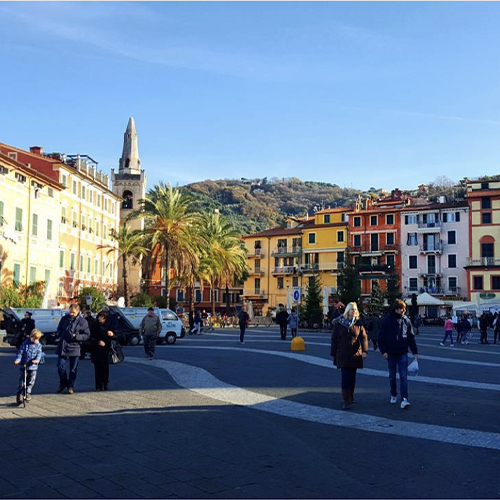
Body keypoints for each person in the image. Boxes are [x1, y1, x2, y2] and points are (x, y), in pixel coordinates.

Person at [378, 299, 419, 409]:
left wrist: (415, 351)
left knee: (403, 376)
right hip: (390, 353)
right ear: (396, 309)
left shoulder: (406, 320)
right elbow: (381, 337)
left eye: (404, 308)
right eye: (402, 309)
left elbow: (411, 337)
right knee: (392, 376)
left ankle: (404, 398)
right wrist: (384, 351)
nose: (404, 311)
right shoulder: (387, 321)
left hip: (402, 352)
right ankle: (393, 394)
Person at [330, 302, 368, 411]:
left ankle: (351, 396)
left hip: (355, 355)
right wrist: (333, 353)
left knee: (352, 377)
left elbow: (364, 337)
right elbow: (334, 339)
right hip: (343, 354)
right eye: (352, 309)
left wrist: (365, 351)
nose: (354, 311)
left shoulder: (358, 324)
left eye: (355, 309)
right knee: (345, 377)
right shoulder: (339, 324)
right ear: (347, 311)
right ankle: (346, 400)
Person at [56, 303, 90, 394]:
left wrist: (77, 336)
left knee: (73, 369)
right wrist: (59, 333)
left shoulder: (83, 322)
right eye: (70, 312)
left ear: (78, 312)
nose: (71, 314)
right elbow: (59, 329)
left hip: (75, 346)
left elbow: (87, 335)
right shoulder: (64, 319)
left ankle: (70, 385)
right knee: (60, 366)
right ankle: (63, 382)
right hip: (63, 345)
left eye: (73, 313)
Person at [14, 329, 43, 405]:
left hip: (33, 366)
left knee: (31, 381)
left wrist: (37, 360)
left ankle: (28, 393)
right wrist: (18, 360)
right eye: (34, 338)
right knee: (22, 382)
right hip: (24, 365)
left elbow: (39, 354)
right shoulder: (25, 344)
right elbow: (20, 353)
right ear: (31, 336)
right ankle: (19, 395)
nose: (35, 340)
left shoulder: (38, 345)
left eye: (37, 339)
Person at [90, 311, 114, 391]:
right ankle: (98, 385)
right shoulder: (94, 325)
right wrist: (97, 342)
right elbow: (90, 337)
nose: (100, 319)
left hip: (106, 349)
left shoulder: (110, 325)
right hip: (96, 349)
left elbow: (117, 336)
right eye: (99, 317)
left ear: (106, 318)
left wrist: (112, 334)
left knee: (105, 367)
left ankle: (105, 383)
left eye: (102, 317)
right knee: (97, 368)